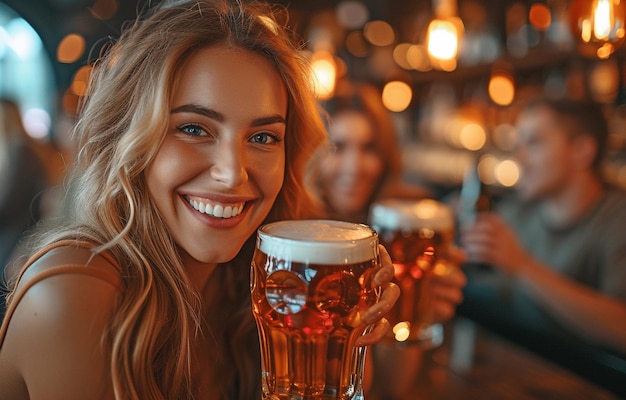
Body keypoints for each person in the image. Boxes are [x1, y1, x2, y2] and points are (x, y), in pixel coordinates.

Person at [0, 2, 400, 399]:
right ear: (129, 140)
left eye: (262, 137)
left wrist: (357, 343)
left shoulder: (259, 290)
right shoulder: (75, 294)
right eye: (194, 128)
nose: (232, 173)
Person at [310, 79, 467, 399]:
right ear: (312, 154)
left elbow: (394, 388)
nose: (354, 168)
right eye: (338, 148)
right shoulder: (295, 240)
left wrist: (416, 313)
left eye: (369, 148)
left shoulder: (401, 236)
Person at [459, 98, 626, 384]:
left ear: (582, 151)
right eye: (519, 145)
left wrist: (523, 267)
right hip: (509, 372)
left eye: (534, 143)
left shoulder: (616, 220)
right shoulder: (516, 213)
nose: (519, 158)